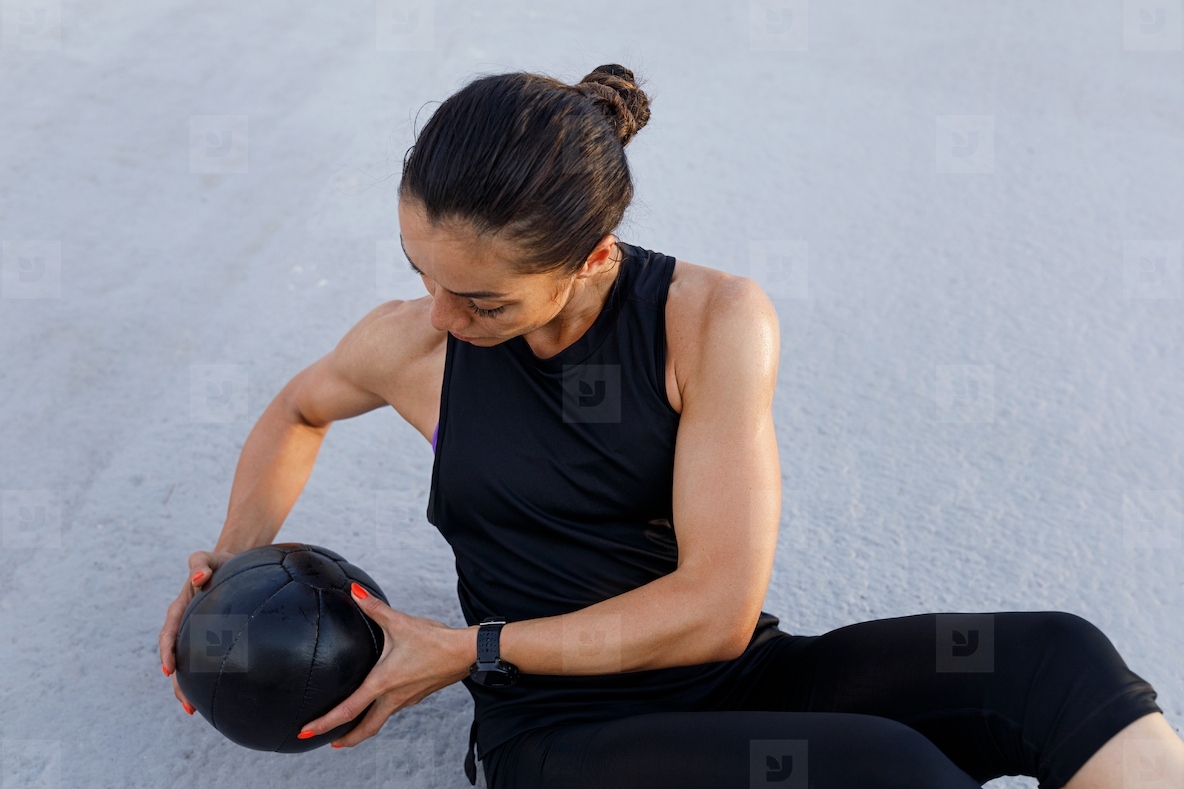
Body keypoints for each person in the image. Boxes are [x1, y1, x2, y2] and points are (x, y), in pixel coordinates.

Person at [158, 65, 1183, 789]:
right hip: (563, 737)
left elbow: (716, 610)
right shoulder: (412, 346)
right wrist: (230, 577)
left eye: (483, 302)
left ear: (593, 259)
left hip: (734, 678)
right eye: (419, 274)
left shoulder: (709, 322)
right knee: (888, 773)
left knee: (1057, 660)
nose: (439, 318)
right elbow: (299, 407)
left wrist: (467, 647)